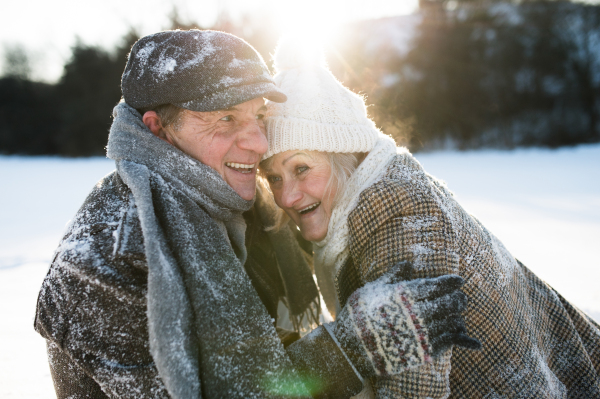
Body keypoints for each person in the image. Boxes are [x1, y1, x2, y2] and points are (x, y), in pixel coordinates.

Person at [34, 30, 475, 399]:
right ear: (158, 128)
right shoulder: (103, 264)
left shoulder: (253, 209)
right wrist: (355, 347)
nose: (259, 144)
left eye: (258, 115)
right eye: (225, 119)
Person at [260, 39, 600, 398]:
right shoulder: (361, 199)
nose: (286, 196)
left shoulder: (395, 208)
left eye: (301, 167)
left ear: (344, 158)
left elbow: (415, 387)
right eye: (275, 177)